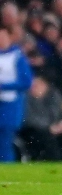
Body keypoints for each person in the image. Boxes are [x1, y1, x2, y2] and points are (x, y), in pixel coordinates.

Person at [19, 76, 62, 161]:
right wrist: (49, 128)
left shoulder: (53, 97)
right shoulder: (26, 99)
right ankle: (55, 161)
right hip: (33, 130)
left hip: (53, 128)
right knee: (46, 138)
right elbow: (29, 119)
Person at [0, 27, 32, 162]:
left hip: (10, 104)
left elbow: (26, 82)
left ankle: (7, 169)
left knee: (5, 141)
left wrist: (3, 87)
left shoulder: (17, 57)